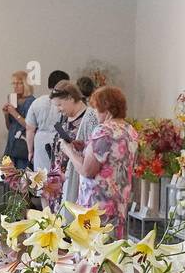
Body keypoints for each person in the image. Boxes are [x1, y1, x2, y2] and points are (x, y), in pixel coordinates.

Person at [59, 86, 138, 239]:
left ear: (107, 109)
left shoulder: (103, 131)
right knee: (112, 249)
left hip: (97, 204)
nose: (94, 113)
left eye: (96, 109)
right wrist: (85, 146)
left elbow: (86, 170)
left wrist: (68, 150)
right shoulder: (129, 130)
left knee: (92, 252)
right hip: (119, 200)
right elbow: (112, 157)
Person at [49, 81, 98, 208]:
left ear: (71, 98)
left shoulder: (89, 118)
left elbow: (92, 152)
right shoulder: (65, 117)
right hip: (58, 183)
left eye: (60, 104)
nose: (58, 109)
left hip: (75, 182)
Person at [26, 69, 69, 172]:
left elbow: (30, 129)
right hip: (60, 140)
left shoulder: (38, 102)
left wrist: (30, 151)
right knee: (58, 174)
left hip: (40, 140)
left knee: (40, 176)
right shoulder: (67, 102)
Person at [1, 70, 36, 170]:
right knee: (8, 174)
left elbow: (29, 125)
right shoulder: (14, 100)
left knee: (22, 175)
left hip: (23, 144)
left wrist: (14, 113)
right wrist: (6, 115)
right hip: (12, 142)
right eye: (14, 83)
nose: (15, 86)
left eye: (19, 83)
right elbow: (10, 127)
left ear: (26, 84)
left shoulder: (31, 101)